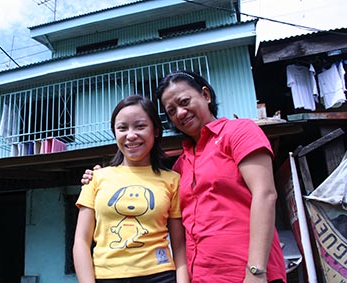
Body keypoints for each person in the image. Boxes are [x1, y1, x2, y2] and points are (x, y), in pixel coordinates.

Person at [81, 71, 287, 283]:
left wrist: (256, 271)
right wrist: (98, 177)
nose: (180, 113)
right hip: (202, 277)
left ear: (205, 95)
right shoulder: (180, 166)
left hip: (248, 275)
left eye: (184, 102)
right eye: (171, 111)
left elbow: (265, 194)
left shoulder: (237, 132)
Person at [73, 95, 189, 283]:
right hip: (106, 277)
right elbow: (81, 241)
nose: (131, 135)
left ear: (156, 131)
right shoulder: (96, 178)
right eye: (122, 128)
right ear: (115, 133)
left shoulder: (172, 180)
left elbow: (179, 245)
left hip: (160, 275)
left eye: (140, 126)